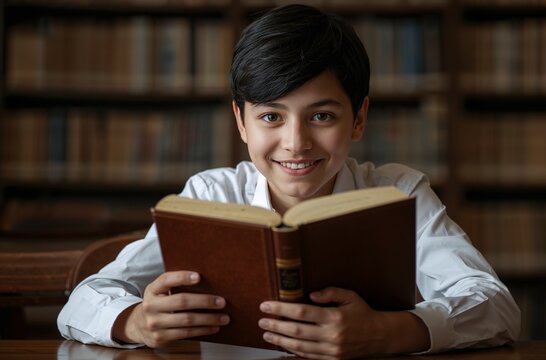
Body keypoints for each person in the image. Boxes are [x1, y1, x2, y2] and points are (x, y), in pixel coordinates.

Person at [58, 4, 520, 359]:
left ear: (359, 119)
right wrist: (134, 321)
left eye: (321, 115)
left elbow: (496, 307)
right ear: (241, 122)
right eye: (271, 117)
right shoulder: (208, 197)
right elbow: (83, 301)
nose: (295, 143)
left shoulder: (397, 194)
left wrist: (388, 331)